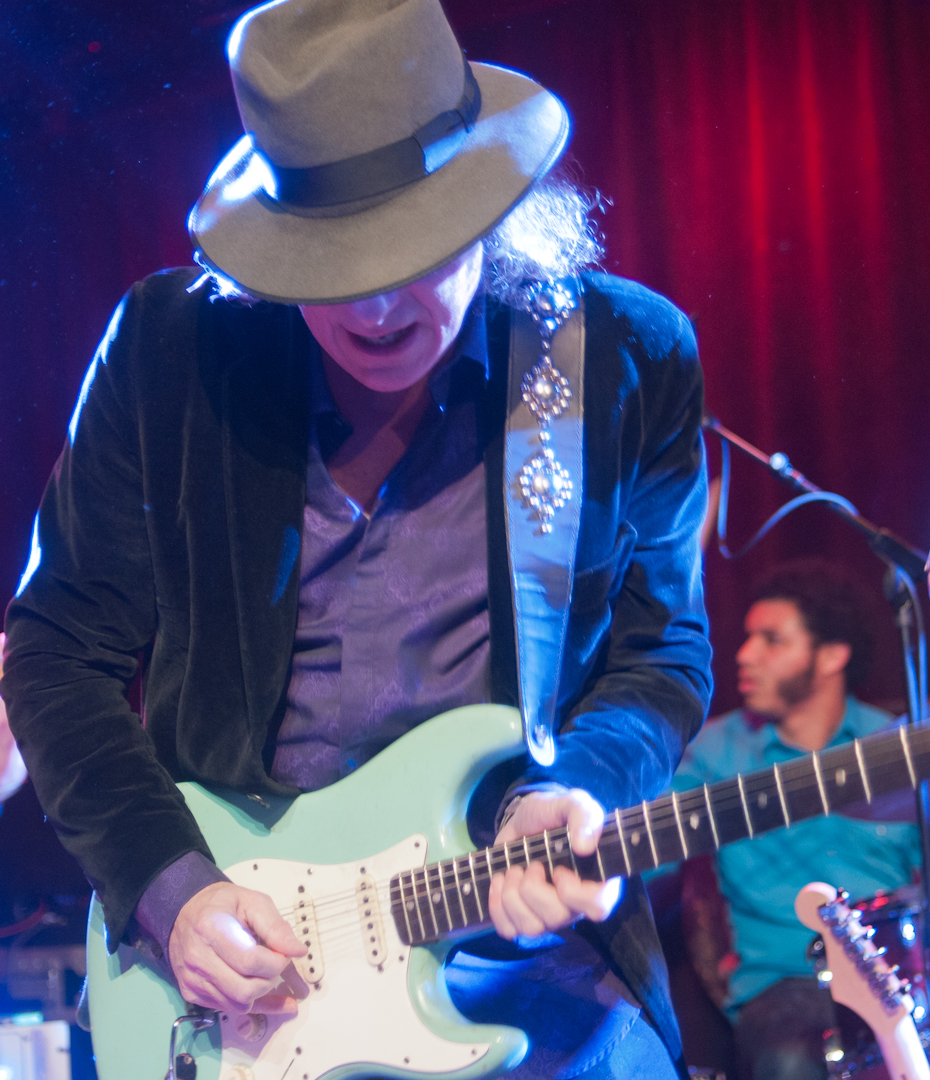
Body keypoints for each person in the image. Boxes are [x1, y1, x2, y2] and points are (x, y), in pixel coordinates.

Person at [2, 1, 712, 1077]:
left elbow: (661, 655)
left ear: (490, 209)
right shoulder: (170, 351)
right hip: (234, 970)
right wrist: (171, 892)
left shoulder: (622, 358)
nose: (377, 303)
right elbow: (57, 649)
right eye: (331, 260)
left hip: (524, 951)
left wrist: (581, 793)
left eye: (414, 249)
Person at [668, 559, 920, 1080]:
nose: (743, 655)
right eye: (746, 637)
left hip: (896, 980)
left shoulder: (893, 746)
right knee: (790, 1063)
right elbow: (640, 868)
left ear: (831, 655)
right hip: (783, 987)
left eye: (771, 639)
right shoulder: (713, 754)